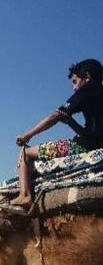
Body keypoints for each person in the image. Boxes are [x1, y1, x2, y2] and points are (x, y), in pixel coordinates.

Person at [10, 59, 103, 211]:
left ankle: (25, 195)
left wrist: (27, 135)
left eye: (75, 81)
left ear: (86, 76)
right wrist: (71, 122)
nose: (74, 88)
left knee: (25, 153)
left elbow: (55, 115)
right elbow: (91, 134)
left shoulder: (88, 89)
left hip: (82, 147)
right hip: (94, 144)